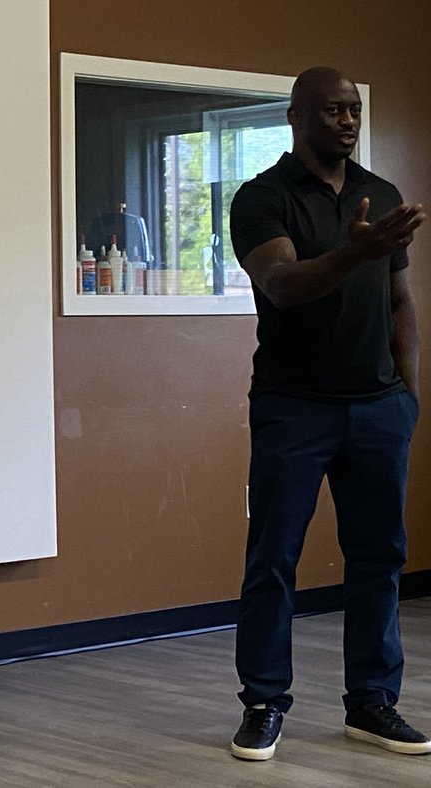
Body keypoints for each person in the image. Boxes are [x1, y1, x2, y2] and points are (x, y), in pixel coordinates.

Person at [227, 66, 427, 761]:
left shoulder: (382, 194)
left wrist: (408, 395)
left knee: (379, 560)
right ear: (296, 116)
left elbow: (400, 304)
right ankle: (262, 703)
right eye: (333, 110)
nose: (347, 121)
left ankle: (372, 704)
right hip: (293, 408)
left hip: (378, 411)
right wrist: (351, 252)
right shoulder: (262, 198)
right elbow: (282, 283)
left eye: (353, 111)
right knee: (273, 559)